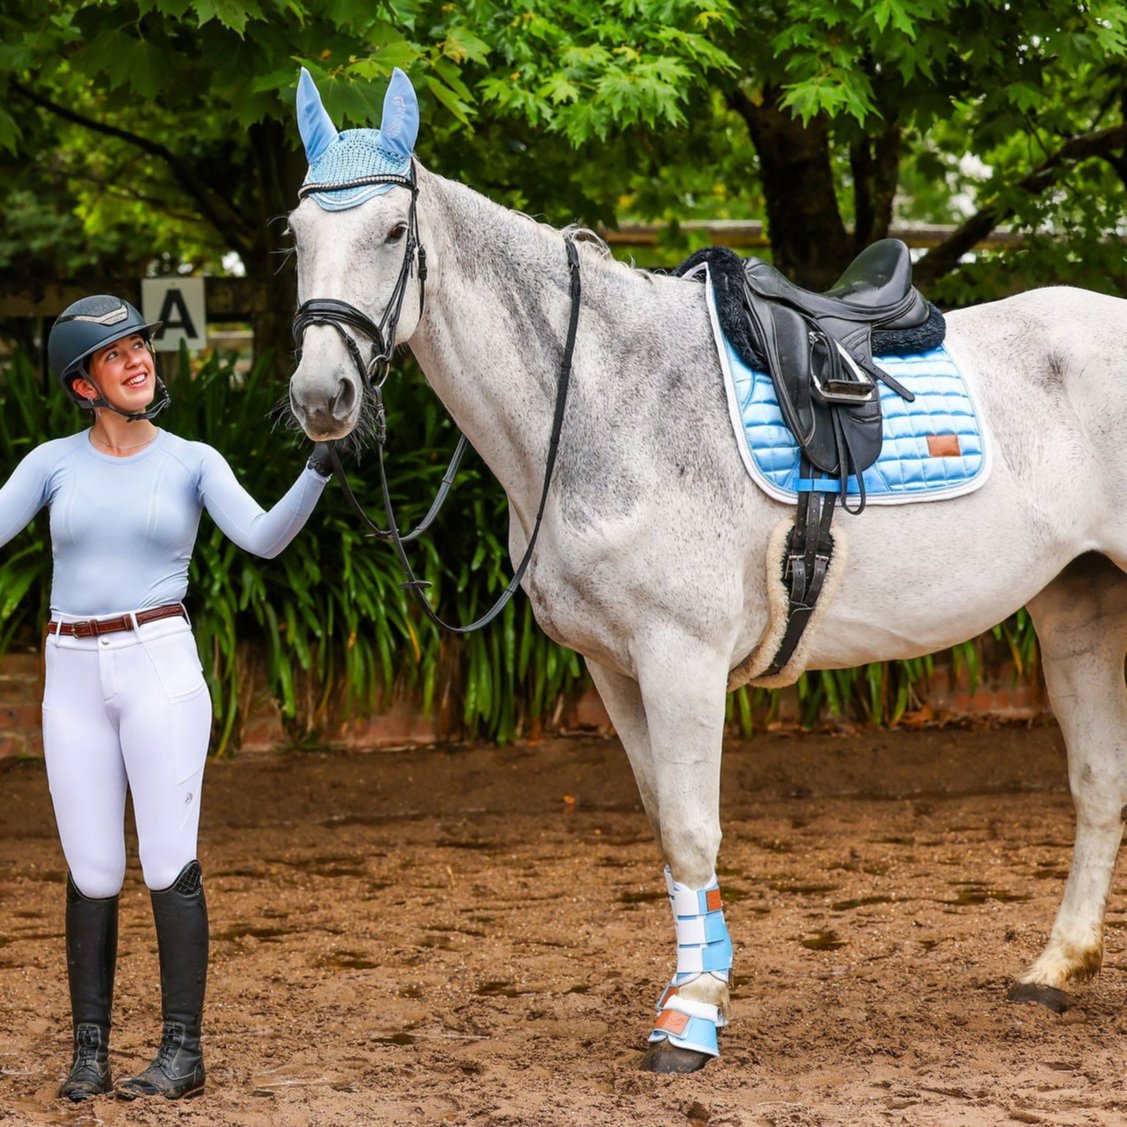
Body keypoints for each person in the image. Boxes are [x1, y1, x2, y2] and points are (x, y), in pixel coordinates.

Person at [0, 294, 333, 1102]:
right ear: (84, 384)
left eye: (142, 345)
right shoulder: (51, 462)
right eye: (117, 353)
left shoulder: (193, 460)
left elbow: (258, 536)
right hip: (72, 670)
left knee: (168, 857)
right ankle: (90, 1053)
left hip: (158, 664)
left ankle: (182, 1052)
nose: (139, 359)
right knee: (91, 866)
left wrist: (320, 464)